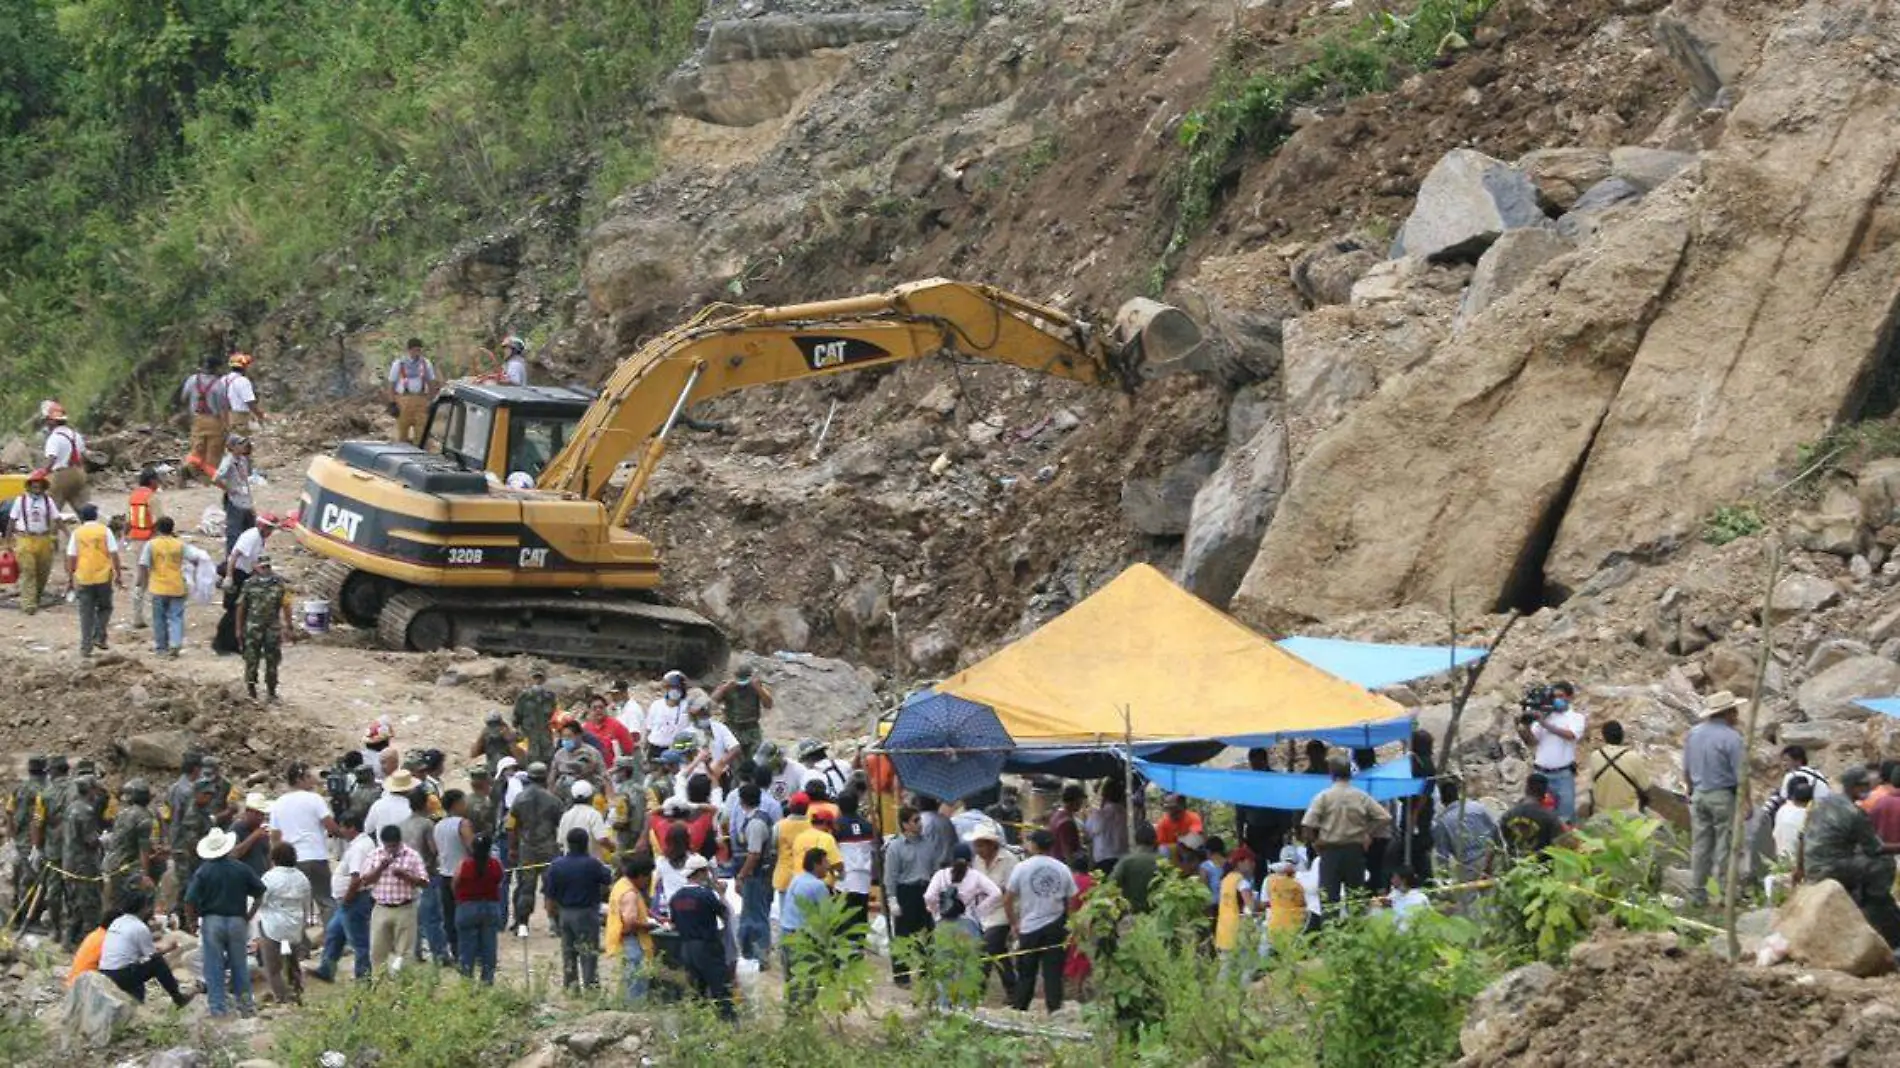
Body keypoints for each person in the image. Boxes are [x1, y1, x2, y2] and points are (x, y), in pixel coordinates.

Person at [1799, 766, 1900, 946]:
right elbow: (1875, 848)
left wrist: (1798, 869)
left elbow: (1802, 837)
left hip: (1812, 865)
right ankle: (1875, 903)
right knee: (1883, 863)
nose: (1868, 791)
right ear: (1854, 787)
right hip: (1832, 868)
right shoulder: (1854, 813)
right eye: (1865, 787)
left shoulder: (1823, 802)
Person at [183, 828, 264, 1017]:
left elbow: (189, 900)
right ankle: (246, 1007)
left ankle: (218, 1008)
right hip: (237, 920)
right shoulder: (241, 868)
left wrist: (192, 922)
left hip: (212, 921)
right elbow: (260, 893)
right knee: (239, 965)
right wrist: (249, 915)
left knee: (214, 966)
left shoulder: (203, 871)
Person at [1300, 757, 1392, 909]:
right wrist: (1367, 833)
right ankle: (1356, 930)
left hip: (1330, 852)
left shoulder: (1323, 796)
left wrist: (1315, 842)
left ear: (1331, 774)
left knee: (1330, 901)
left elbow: (1308, 824)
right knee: (1356, 899)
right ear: (1350, 773)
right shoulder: (1360, 796)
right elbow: (1385, 817)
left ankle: (1332, 931)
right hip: (1354, 851)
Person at [1683, 691, 1746, 907]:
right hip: (1722, 795)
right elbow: (1741, 774)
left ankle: (1698, 893)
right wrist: (1746, 802)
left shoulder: (1693, 734)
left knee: (1700, 845)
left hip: (1699, 794)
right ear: (1728, 713)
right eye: (1735, 710)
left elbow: (1686, 768)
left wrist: (1690, 790)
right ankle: (1726, 893)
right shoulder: (1732, 737)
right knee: (1725, 845)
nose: (1737, 714)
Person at [1006, 828, 1077, 1013]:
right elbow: (1072, 899)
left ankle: (1020, 1010)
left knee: (1026, 973)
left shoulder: (1021, 868)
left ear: (1034, 845)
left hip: (1029, 928)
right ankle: (1055, 1011)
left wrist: (1014, 923)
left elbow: (1007, 899)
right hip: (1056, 926)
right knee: (1053, 973)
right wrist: (1069, 923)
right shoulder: (1062, 868)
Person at [269, 761, 340, 926]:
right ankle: (333, 938)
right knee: (325, 900)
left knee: (295, 903)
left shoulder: (278, 803)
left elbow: (275, 836)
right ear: (299, 779)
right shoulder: (315, 799)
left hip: (291, 860)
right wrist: (342, 833)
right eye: (308, 776)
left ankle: (298, 941)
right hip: (315, 856)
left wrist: (274, 861)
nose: (312, 780)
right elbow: (330, 825)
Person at [544, 827, 613, 992]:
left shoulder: (556, 865)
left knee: (568, 952)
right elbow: (607, 878)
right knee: (588, 952)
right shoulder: (592, 864)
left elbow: (549, 895)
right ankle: (590, 987)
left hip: (565, 913)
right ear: (586, 844)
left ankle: (571, 987)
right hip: (587, 912)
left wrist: (552, 915)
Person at [97, 891, 193, 1007]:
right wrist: (169, 948)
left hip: (104, 971)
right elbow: (151, 956)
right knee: (157, 963)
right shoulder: (139, 927)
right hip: (120, 975)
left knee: (138, 967)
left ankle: (136, 1002)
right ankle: (178, 998)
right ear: (144, 908)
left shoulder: (117, 922)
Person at [669, 854, 736, 1019]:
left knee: (696, 990)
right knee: (720, 988)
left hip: (686, 948)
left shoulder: (675, 898)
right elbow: (727, 914)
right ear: (702, 872)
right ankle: (729, 1024)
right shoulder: (706, 895)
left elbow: (674, 923)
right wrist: (721, 893)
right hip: (707, 946)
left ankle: (699, 1023)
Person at [310, 814, 374, 982]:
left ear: (352, 827)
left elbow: (356, 877)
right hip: (349, 899)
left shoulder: (359, 848)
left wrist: (347, 899)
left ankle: (364, 978)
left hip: (353, 899)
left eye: (343, 827)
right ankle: (327, 968)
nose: (341, 831)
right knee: (334, 933)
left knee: (358, 940)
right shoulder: (360, 844)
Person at [360, 824, 430, 974]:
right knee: (377, 952)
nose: (391, 850)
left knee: (405, 953)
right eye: (388, 846)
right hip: (381, 908)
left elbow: (424, 882)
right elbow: (365, 880)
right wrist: (380, 868)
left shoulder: (412, 855)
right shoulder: (375, 855)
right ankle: (380, 987)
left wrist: (405, 875)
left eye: (394, 846)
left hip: (405, 908)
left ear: (399, 842)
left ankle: (403, 987)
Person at [136, 516, 210, 657]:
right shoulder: (180, 544)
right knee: (176, 617)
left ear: (157, 529)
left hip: (158, 587)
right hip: (177, 586)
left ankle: (162, 648)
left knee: (159, 619)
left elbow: (143, 565)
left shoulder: (151, 544)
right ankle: (175, 644)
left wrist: (141, 583)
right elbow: (195, 559)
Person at [1516, 681, 1586, 822]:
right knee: (1538, 817)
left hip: (1563, 775)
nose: (1557, 699)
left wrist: (1545, 724)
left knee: (1565, 817)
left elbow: (1571, 735)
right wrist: (1523, 727)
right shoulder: (1546, 715)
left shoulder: (1576, 718)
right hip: (1540, 774)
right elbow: (1532, 742)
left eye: (1561, 696)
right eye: (1554, 696)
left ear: (1570, 697)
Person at [506, 762, 563, 938]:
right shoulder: (554, 800)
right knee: (552, 887)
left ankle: (522, 923)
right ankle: (554, 923)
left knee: (525, 886)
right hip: (548, 848)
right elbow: (560, 825)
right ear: (545, 777)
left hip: (527, 848)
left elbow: (511, 826)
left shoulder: (520, 799)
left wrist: (513, 847)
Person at [254, 843, 312, 1006]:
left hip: (273, 928)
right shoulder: (302, 878)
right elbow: (306, 903)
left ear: (273, 858)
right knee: (293, 962)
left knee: (273, 968)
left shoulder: (269, 877)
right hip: (294, 927)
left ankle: (282, 998)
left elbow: (261, 899)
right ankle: (297, 991)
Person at [884, 806, 936, 986]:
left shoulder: (928, 844)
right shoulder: (895, 847)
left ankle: (926, 971)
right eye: (915, 820)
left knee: (928, 932)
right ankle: (901, 975)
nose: (920, 824)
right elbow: (890, 875)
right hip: (906, 891)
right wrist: (892, 899)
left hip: (926, 890)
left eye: (919, 819)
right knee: (903, 935)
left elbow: (934, 869)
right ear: (905, 824)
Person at [215, 512, 277, 653]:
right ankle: (223, 644)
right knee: (234, 610)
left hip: (244, 574)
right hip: (237, 573)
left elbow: (253, 561)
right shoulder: (251, 537)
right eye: (268, 528)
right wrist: (229, 577)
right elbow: (234, 556)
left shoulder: (260, 539)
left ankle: (236, 643)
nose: (269, 532)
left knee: (242, 610)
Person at [64, 503, 121, 657]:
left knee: (85, 613)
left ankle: (85, 647)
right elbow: (114, 554)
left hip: (83, 577)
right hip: (103, 576)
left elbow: (71, 557)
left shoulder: (77, 533)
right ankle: (99, 635)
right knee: (105, 607)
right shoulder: (105, 531)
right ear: (96, 516)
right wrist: (118, 574)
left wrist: (70, 578)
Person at [780, 847, 835, 1001]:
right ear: (816, 865)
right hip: (804, 938)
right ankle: (805, 1016)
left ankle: (792, 1016)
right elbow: (827, 917)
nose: (828, 866)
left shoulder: (797, 879)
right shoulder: (818, 886)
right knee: (808, 983)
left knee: (792, 982)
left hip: (786, 933)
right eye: (825, 862)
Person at [7, 469, 63, 615]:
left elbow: (57, 518)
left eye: (39, 485)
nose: (37, 488)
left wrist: (69, 534)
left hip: (43, 539)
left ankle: (36, 597)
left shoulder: (47, 501)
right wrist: (8, 541)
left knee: (43, 571)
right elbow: (12, 521)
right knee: (28, 571)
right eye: (34, 485)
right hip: (25, 539)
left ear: (43, 487)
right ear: (29, 486)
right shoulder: (21, 500)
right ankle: (28, 604)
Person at [60, 775, 107, 947]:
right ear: (91, 790)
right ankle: (88, 945)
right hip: (84, 864)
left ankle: (68, 941)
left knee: (74, 904)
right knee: (90, 905)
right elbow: (90, 840)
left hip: (70, 862)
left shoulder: (71, 807)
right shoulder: (86, 811)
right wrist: (105, 840)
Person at [730, 783, 775, 962]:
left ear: (741, 801)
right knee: (750, 914)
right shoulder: (759, 818)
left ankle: (762, 955)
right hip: (756, 875)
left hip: (755, 876)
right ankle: (748, 953)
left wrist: (741, 875)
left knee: (757, 916)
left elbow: (754, 854)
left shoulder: (755, 823)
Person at [1431, 778, 1505, 887]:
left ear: (1442, 800)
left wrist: (1445, 880)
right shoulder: (1478, 807)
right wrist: (1501, 852)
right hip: (1490, 859)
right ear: (1457, 794)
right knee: (1494, 898)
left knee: (1471, 901)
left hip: (1468, 868)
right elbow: (1495, 830)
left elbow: (1442, 855)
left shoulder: (1442, 823)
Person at [607, 853, 656, 1004]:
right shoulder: (630, 894)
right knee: (636, 976)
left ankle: (626, 1003)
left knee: (627, 975)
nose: (648, 881)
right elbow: (630, 922)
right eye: (647, 877)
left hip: (621, 939)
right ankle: (635, 1007)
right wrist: (649, 925)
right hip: (632, 940)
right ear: (641, 875)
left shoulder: (621, 884)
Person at [102, 778, 163, 899]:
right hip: (127, 866)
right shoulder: (144, 817)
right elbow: (143, 850)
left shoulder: (122, 813)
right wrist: (144, 875)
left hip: (112, 864)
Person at [925, 842, 1003, 932]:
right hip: (967, 922)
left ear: (952, 859)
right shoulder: (975, 875)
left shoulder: (940, 875)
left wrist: (936, 912)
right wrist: (979, 911)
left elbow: (929, 896)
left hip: (943, 922)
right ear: (970, 860)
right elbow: (996, 893)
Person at [1581, 720, 1651, 819]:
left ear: (1604, 737)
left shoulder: (1595, 756)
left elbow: (1591, 787)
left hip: (1602, 813)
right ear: (1622, 735)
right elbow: (1645, 787)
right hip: (1629, 814)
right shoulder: (1633, 757)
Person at [834, 789, 877, 945]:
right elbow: (876, 849)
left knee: (844, 917)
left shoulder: (836, 827)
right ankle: (859, 947)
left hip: (844, 879)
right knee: (860, 915)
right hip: (864, 878)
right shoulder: (868, 826)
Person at [179, 355, 229, 482]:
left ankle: (189, 468)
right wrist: (226, 426)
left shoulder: (192, 380)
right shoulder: (219, 385)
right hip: (214, 420)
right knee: (214, 450)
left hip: (197, 418)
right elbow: (223, 408)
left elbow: (183, 398)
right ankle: (208, 478)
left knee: (197, 447)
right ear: (216, 368)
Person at [123, 468, 162, 629]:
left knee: (139, 579)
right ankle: (158, 615)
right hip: (150, 540)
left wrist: (124, 537)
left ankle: (137, 616)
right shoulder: (152, 498)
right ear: (151, 481)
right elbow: (158, 521)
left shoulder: (133, 496)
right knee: (156, 577)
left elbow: (128, 520)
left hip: (135, 540)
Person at [1501, 774, 1568, 861]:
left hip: (1513, 868)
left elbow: (1496, 843)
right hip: (1541, 869)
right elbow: (1560, 846)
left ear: (1526, 789)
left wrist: (1487, 871)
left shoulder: (1508, 815)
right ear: (1545, 793)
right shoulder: (1549, 818)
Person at [711, 666, 773, 755]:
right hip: (732, 728)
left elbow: (768, 704)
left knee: (755, 759)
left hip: (751, 729)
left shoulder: (756, 686)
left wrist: (759, 688)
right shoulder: (728, 686)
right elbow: (712, 701)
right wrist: (724, 688)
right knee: (732, 759)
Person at [389, 338, 439, 444]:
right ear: (409, 350)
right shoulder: (398, 364)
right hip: (403, 402)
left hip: (421, 401)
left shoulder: (426, 363)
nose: (418, 353)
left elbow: (431, 383)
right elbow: (392, 385)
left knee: (421, 436)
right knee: (402, 434)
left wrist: (431, 401)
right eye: (415, 350)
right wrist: (392, 403)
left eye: (419, 350)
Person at [213, 434, 256, 555]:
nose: (243, 446)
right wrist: (229, 489)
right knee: (234, 532)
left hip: (245, 499)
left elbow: (245, 479)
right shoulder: (228, 461)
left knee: (250, 530)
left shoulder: (243, 460)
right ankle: (231, 559)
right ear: (232, 447)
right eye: (240, 444)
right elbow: (216, 479)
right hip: (234, 500)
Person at [1108, 821, 1164, 914]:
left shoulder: (1126, 861)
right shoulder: (1162, 861)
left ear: (1136, 840)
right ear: (1155, 840)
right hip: (1156, 913)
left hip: (1131, 912)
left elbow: (1111, 884)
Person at [42, 402, 88, 511]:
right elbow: (82, 456)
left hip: (62, 475)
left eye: (47, 420)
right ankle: (90, 526)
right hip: (79, 473)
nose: (46, 423)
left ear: (52, 421)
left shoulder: (54, 437)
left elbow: (51, 459)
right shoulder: (76, 435)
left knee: (52, 509)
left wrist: (42, 472)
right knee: (82, 508)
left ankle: (50, 528)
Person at [1214, 845, 1257, 960]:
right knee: (1247, 968)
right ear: (1240, 862)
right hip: (1238, 931)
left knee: (1225, 970)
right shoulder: (1242, 882)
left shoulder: (1225, 880)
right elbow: (1250, 907)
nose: (1253, 865)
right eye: (1251, 861)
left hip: (1223, 930)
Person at [512, 670, 558, 766]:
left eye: (540, 678)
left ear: (544, 680)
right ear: (531, 679)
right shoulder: (524, 697)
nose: (538, 681)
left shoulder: (550, 697)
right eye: (535, 678)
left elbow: (555, 715)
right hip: (529, 733)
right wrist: (518, 729)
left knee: (548, 758)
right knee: (528, 759)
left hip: (545, 735)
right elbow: (517, 715)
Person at [1085, 777, 1130, 875]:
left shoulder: (1097, 815)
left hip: (1102, 860)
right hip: (1123, 860)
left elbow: (1087, 836)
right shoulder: (1128, 816)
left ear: (1104, 795)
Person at [557, 781, 612, 858]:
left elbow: (560, 842)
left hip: (570, 864)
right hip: (591, 864)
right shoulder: (593, 814)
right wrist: (613, 848)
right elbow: (602, 839)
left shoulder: (566, 816)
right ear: (591, 797)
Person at [644, 674, 691, 761]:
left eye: (678, 688)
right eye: (672, 688)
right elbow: (648, 728)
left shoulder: (687, 707)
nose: (674, 691)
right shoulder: (656, 705)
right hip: (655, 748)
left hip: (675, 750)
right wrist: (644, 748)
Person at [221, 353, 264, 435]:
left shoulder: (223, 379)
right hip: (240, 417)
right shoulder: (243, 381)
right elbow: (250, 402)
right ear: (244, 367)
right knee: (242, 443)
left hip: (226, 417)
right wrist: (259, 415)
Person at [1774, 777, 1814, 863]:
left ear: (1793, 797)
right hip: (1802, 865)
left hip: (1781, 861)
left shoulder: (1782, 810)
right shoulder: (1811, 816)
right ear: (1811, 801)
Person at [1154, 794, 1204, 860]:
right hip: (1172, 851)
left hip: (1189, 850)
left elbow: (1196, 838)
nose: (1172, 812)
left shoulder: (1193, 817)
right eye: (1169, 809)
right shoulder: (1163, 823)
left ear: (1183, 807)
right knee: (1162, 850)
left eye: (1175, 808)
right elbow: (1161, 843)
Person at [1263, 859, 1306, 936]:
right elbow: (1302, 902)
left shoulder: (1269, 881)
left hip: (1275, 923)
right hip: (1294, 923)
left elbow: (1265, 902)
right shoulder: (1297, 884)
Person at [1050, 784, 1086, 864]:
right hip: (1064, 864)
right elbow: (1067, 851)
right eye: (1081, 800)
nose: (1081, 803)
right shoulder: (1066, 822)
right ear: (1075, 800)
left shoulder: (1056, 815)